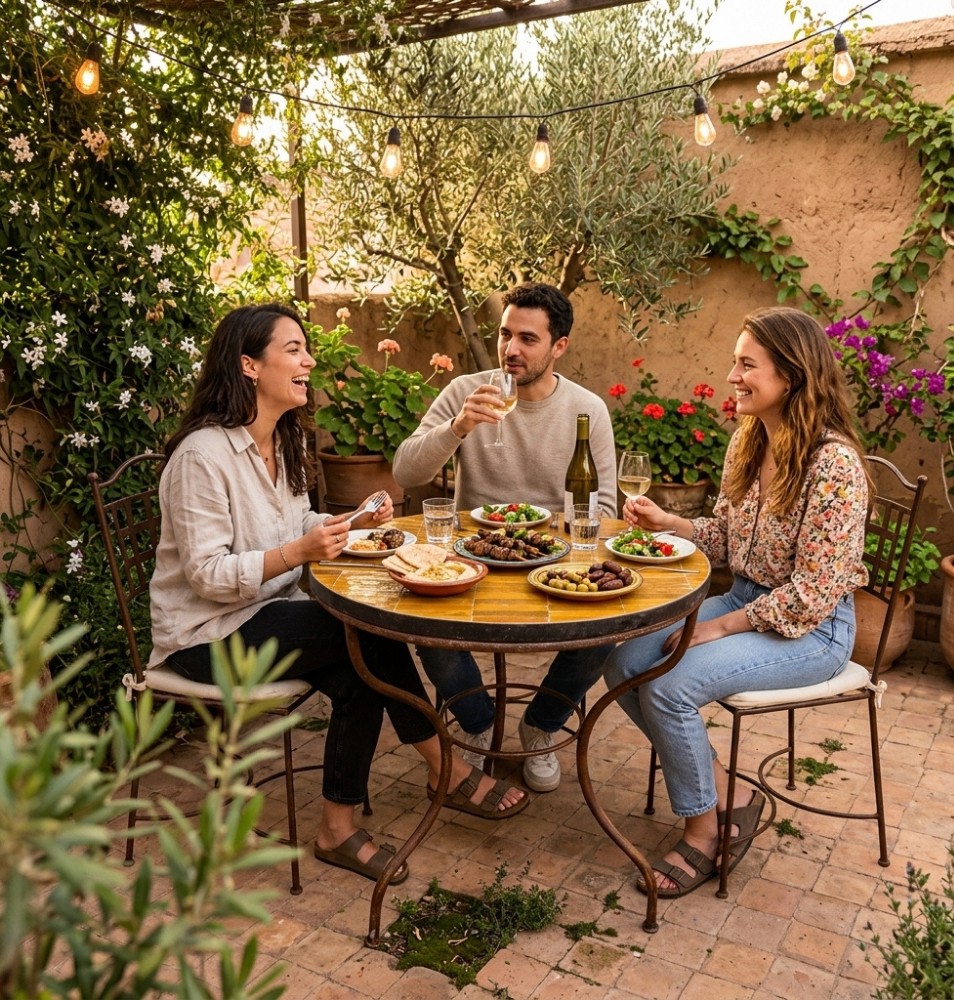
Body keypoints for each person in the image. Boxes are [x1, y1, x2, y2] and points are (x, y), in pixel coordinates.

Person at [149, 303, 528, 887]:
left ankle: (337, 828)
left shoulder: (286, 442)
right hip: (206, 636)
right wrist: (301, 553)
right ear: (249, 366)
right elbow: (206, 575)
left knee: (361, 666)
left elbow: (299, 523)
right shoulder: (202, 457)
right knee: (363, 633)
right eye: (293, 349)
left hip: (270, 615)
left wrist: (352, 522)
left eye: (307, 349)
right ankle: (446, 771)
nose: (309, 360)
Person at [602, 306, 868, 898]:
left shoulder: (833, 464)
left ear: (792, 375)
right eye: (734, 362)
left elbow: (814, 593)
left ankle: (703, 831)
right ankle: (733, 793)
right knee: (622, 664)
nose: (731, 377)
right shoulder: (750, 441)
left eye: (747, 365)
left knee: (670, 686)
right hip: (748, 599)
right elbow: (726, 537)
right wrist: (667, 521)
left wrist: (715, 631)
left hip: (813, 630)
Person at [393, 282, 617, 792]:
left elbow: (603, 508)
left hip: (552, 557)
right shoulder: (466, 392)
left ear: (559, 346)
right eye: (504, 334)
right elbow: (406, 472)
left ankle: (539, 727)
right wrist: (456, 427)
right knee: (431, 630)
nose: (510, 349)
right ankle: (481, 728)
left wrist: (560, 542)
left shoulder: (588, 408)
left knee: (606, 630)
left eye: (528, 339)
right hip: (474, 558)